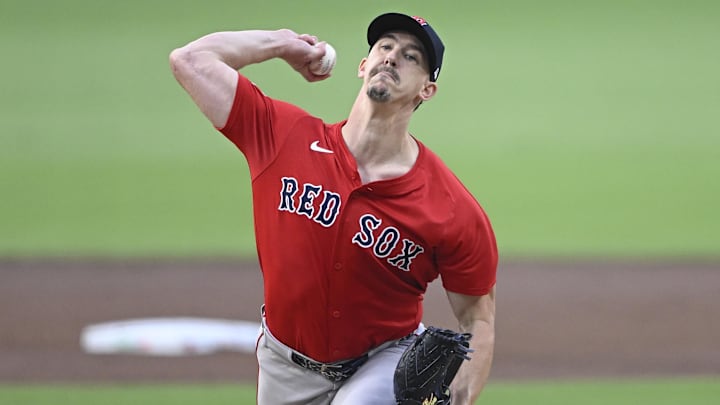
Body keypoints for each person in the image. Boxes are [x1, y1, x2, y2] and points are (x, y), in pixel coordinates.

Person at [169, 12, 498, 405]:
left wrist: (459, 399)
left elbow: (478, 320)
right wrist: (281, 43)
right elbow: (190, 60)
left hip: (382, 363)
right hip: (282, 366)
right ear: (364, 66)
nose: (392, 57)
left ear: (426, 90)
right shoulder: (283, 138)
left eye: (411, 57)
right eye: (385, 47)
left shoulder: (449, 206)